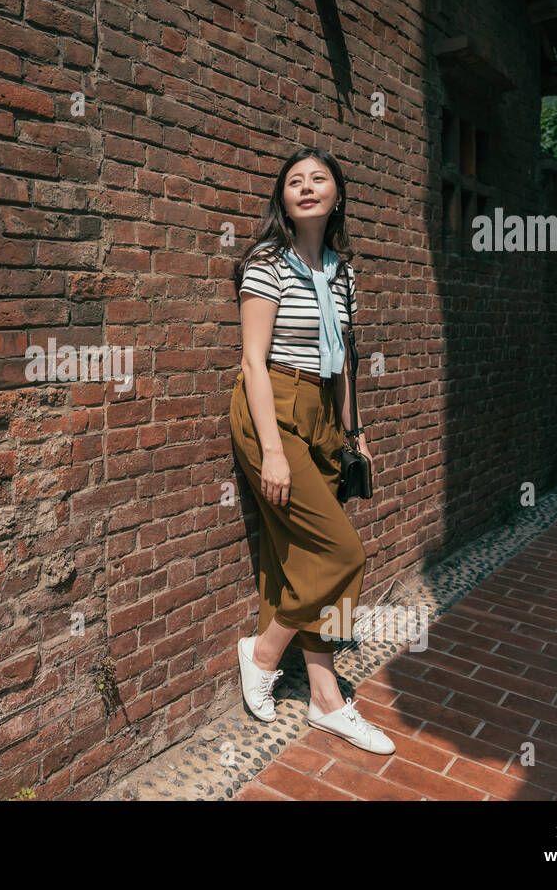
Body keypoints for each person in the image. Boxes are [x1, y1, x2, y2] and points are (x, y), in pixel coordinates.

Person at [229, 146, 394, 755]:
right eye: (293, 181)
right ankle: (263, 653)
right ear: (283, 198)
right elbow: (252, 360)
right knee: (343, 552)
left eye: (318, 179)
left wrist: (355, 431)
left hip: (324, 411)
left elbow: (346, 360)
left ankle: (326, 700)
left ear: (336, 196)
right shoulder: (266, 261)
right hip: (272, 407)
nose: (305, 187)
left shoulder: (342, 273)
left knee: (299, 556)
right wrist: (272, 450)